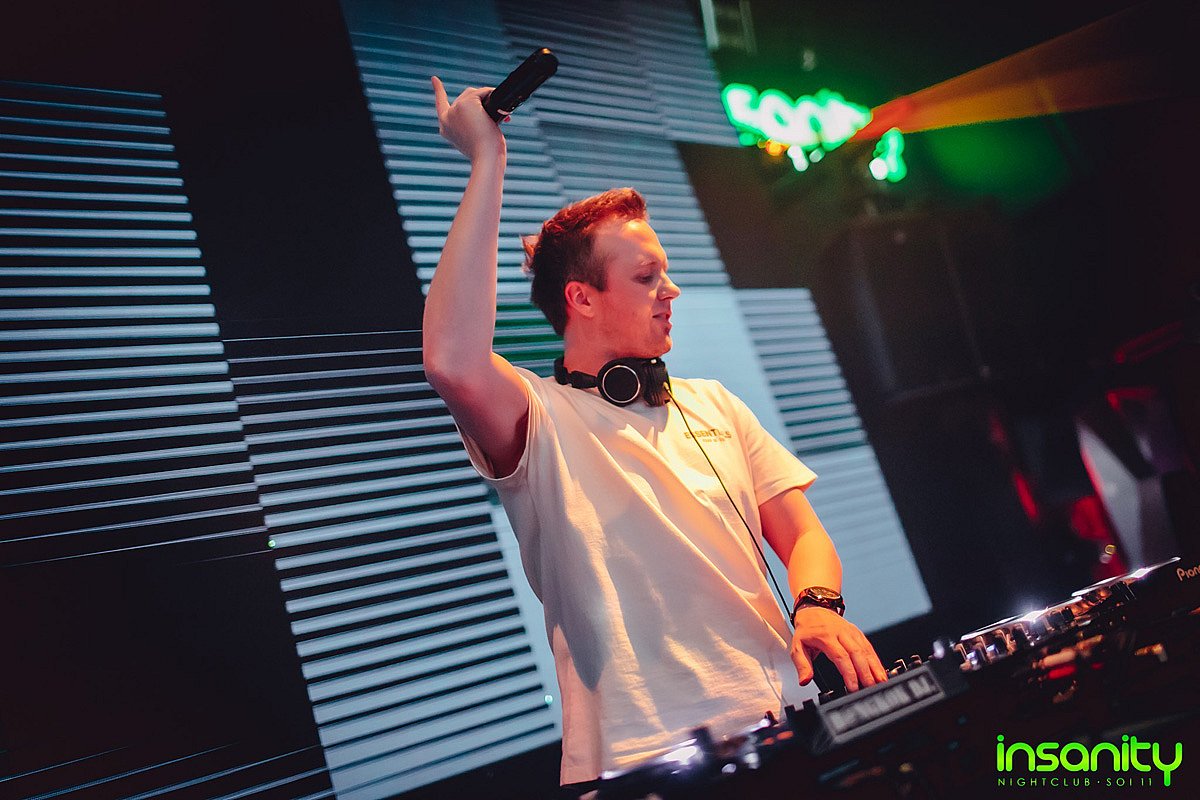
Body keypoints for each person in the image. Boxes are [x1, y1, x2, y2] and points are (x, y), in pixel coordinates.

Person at [424, 76, 888, 787]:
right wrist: (488, 159)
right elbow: (453, 362)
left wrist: (819, 607)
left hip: (790, 728)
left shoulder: (713, 404)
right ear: (581, 299)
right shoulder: (540, 417)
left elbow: (802, 535)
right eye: (647, 277)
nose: (671, 291)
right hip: (641, 764)